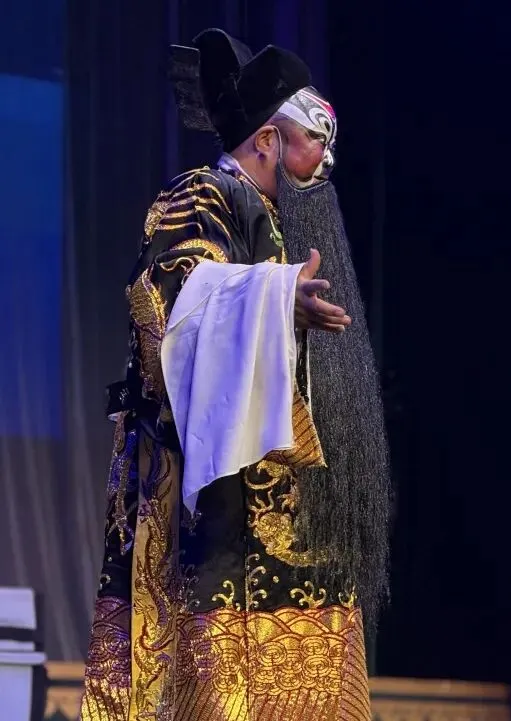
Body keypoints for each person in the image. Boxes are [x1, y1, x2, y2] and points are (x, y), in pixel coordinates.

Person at [79, 28, 392, 721]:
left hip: (292, 502)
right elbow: (173, 300)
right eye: (315, 141)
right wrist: (275, 300)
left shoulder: (284, 217)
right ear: (268, 141)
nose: (327, 160)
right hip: (219, 510)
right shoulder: (203, 195)